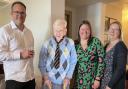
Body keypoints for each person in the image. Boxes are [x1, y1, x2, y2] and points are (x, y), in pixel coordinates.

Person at [0, 1, 35, 89]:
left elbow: (29, 54)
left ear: (25, 15)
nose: (20, 15)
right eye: (17, 12)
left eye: (22, 12)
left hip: (30, 78)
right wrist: (20, 55)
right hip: (14, 80)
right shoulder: (4, 30)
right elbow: (1, 55)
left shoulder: (29, 32)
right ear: (11, 14)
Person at [39, 19, 77, 89]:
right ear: (53, 31)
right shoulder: (46, 43)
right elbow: (41, 63)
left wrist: (68, 77)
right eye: (56, 30)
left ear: (65, 31)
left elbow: (73, 61)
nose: (58, 33)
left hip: (64, 82)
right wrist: (45, 78)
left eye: (60, 30)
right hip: (49, 81)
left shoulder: (70, 43)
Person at [73, 20, 105, 89]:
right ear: (79, 31)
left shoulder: (96, 41)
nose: (85, 31)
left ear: (90, 31)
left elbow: (102, 61)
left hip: (93, 81)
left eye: (87, 29)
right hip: (79, 81)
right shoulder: (75, 45)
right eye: (82, 29)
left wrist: (98, 79)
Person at [100, 21, 127, 89]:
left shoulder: (121, 46)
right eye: (111, 28)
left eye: (115, 29)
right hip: (103, 82)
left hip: (113, 85)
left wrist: (109, 85)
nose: (112, 31)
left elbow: (120, 69)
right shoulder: (106, 45)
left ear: (119, 32)